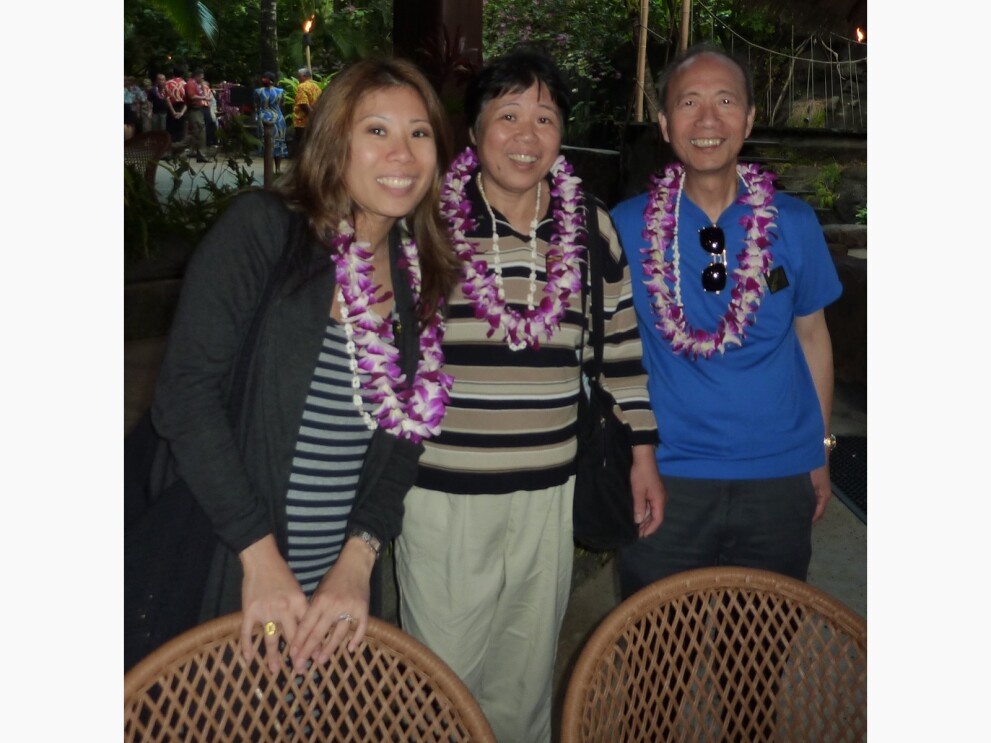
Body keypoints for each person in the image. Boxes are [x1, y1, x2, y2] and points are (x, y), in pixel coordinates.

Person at [150, 58, 461, 674]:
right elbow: (185, 398)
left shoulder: (418, 272)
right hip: (232, 557)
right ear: (333, 141)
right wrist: (259, 559)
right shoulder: (264, 231)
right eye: (376, 130)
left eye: (419, 133)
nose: (402, 152)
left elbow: (405, 438)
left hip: (335, 584)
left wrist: (360, 558)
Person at [394, 48, 665, 743]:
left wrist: (641, 450)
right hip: (445, 491)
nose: (526, 134)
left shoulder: (588, 223)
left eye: (544, 118)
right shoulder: (424, 220)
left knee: (523, 681)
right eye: (508, 115)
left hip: (548, 490)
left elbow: (621, 346)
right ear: (475, 130)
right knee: (441, 684)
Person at [610, 43, 843, 599]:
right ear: (665, 124)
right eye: (689, 103)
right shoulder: (624, 225)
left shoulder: (794, 222)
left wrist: (821, 450)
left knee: (757, 663)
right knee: (657, 663)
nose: (708, 119)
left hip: (779, 473)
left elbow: (814, 338)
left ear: (750, 118)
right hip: (666, 474)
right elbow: (608, 353)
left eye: (725, 101)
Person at [254, 72, 289, 173]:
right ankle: (277, 168)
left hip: (264, 118)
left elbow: (256, 104)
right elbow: (282, 103)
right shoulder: (281, 91)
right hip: (278, 118)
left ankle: (268, 169)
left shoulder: (258, 91)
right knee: (279, 142)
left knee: (266, 143)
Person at [292, 67, 322, 156]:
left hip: (302, 122)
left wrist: (311, 115)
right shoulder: (317, 87)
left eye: (299, 77)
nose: (298, 79)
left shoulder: (302, 86)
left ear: (304, 76)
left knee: (302, 148)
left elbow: (303, 103)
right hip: (313, 122)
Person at [184, 68, 211, 162]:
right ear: (197, 76)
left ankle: (199, 153)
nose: (202, 79)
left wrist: (202, 87)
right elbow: (192, 96)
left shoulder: (197, 84)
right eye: (201, 77)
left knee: (199, 132)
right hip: (193, 110)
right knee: (199, 132)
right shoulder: (191, 84)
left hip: (198, 110)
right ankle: (178, 147)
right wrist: (203, 97)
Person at [163, 65, 188, 156]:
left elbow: (167, 99)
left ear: (173, 73)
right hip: (182, 107)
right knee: (180, 130)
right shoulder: (185, 84)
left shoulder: (168, 83)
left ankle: (169, 151)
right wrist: (181, 112)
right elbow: (187, 101)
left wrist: (173, 111)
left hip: (171, 108)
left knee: (170, 130)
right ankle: (179, 152)